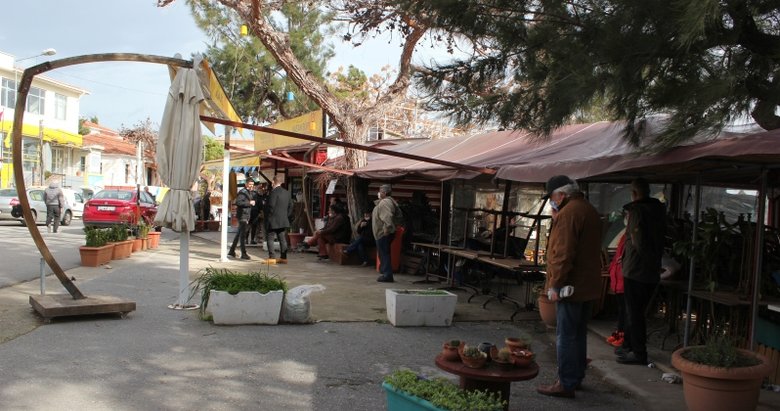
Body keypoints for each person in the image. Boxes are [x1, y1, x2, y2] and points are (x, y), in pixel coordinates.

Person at [536, 175, 603, 399]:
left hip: (570, 287)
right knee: (578, 334)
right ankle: (575, 377)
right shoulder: (588, 210)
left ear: (561, 195)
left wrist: (555, 284)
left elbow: (562, 254)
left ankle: (565, 383)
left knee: (566, 336)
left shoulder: (569, 213)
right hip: (587, 286)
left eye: (552, 197)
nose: (551, 201)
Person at [616, 178, 666, 365]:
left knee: (634, 313)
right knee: (636, 311)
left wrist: (647, 262)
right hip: (650, 271)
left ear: (635, 193)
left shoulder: (638, 212)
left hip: (636, 270)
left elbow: (639, 243)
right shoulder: (659, 210)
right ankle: (629, 345)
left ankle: (638, 352)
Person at [372, 184, 401, 282]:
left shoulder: (385, 202)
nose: (379, 193)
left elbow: (387, 217)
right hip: (383, 232)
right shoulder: (388, 201)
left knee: (384, 254)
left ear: (384, 192)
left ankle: (387, 275)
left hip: (383, 233)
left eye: (380, 191)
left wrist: (386, 230)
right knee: (383, 253)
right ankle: (384, 271)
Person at [264, 174, 293, 264]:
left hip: (272, 220)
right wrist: (286, 215)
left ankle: (272, 257)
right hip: (283, 220)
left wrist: (267, 217)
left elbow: (271, 206)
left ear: (273, 182)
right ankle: (283, 258)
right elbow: (291, 206)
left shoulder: (273, 192)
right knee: (282, 239)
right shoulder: (287, 193)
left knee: (270, 238)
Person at [607, 230, 627, 348]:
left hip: (623, 278)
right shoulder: (626, 236)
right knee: (622, 310)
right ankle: (620, 333)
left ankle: (623, 335)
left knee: (625, 311)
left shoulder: (632, 235)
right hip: (618, 278)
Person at [228, 179, 255, 260]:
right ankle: (243, 253)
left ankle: (232, 251)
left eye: (252, 184)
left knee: (239, 234)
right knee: (242, 235)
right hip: (243, 215)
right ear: (246, 184)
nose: (251, 186)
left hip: (245, 215)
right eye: (250, 184)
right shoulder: (243, 192)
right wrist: (249, 203)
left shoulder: (248, 192)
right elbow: (238, 202)